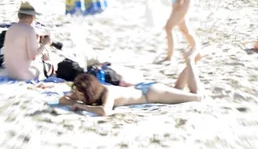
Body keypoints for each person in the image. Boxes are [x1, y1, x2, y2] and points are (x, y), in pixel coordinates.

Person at [58, 49, 203, 116]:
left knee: (197, 97)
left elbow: (104, 111)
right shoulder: (94, 93)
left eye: (80, 93)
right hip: (144, 88)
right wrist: (74, 97)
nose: (78, 95)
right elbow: (63, 100)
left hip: (150, 93)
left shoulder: (108, 92)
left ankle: (190, 61)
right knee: (177, 89)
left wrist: (83, 107)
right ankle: (192, 64)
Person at [3, 2, 52, 81]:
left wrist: (35, 41)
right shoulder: (29, 30)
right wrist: (44, 44)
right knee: (46, 67)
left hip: (9, 73)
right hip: (23, 76)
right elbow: (33, 56)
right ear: (31, 17)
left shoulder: (11, 28)